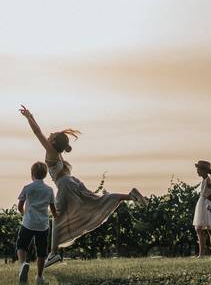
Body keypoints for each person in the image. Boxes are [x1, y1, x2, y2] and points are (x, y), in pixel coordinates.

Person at [19, 105, 146, 267]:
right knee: (97, 201)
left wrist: (29, 117)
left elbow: (38, 133)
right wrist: (31, 116)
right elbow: (41, 132)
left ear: (53, 141)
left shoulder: (51, 151)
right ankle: (130, 196)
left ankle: (53, 254)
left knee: (57, 218)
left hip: (65, 185)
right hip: (73, 182)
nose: (49, 134)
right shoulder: (57, 153)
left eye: (52, 135)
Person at [16, 161, 57, 284]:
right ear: (45, 175)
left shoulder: (27, 188)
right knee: (41, 252)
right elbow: (53, 208)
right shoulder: (49, 190)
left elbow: (20, 206)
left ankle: (23, 264)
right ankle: (39, 276)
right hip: (43, 225)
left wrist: (25, 214)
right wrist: (56, 216)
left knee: (21, 246)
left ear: (32, 173)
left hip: (28, 223)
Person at [192, 160, 211, 258]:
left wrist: (209, 196)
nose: (197, 171)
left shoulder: (208, 179)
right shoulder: (203, 180)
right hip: (202, 204)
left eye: (198, 169)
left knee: (210, 230)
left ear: (204, 170)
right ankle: (202, 253)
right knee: (200, 229)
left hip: (206, 204)